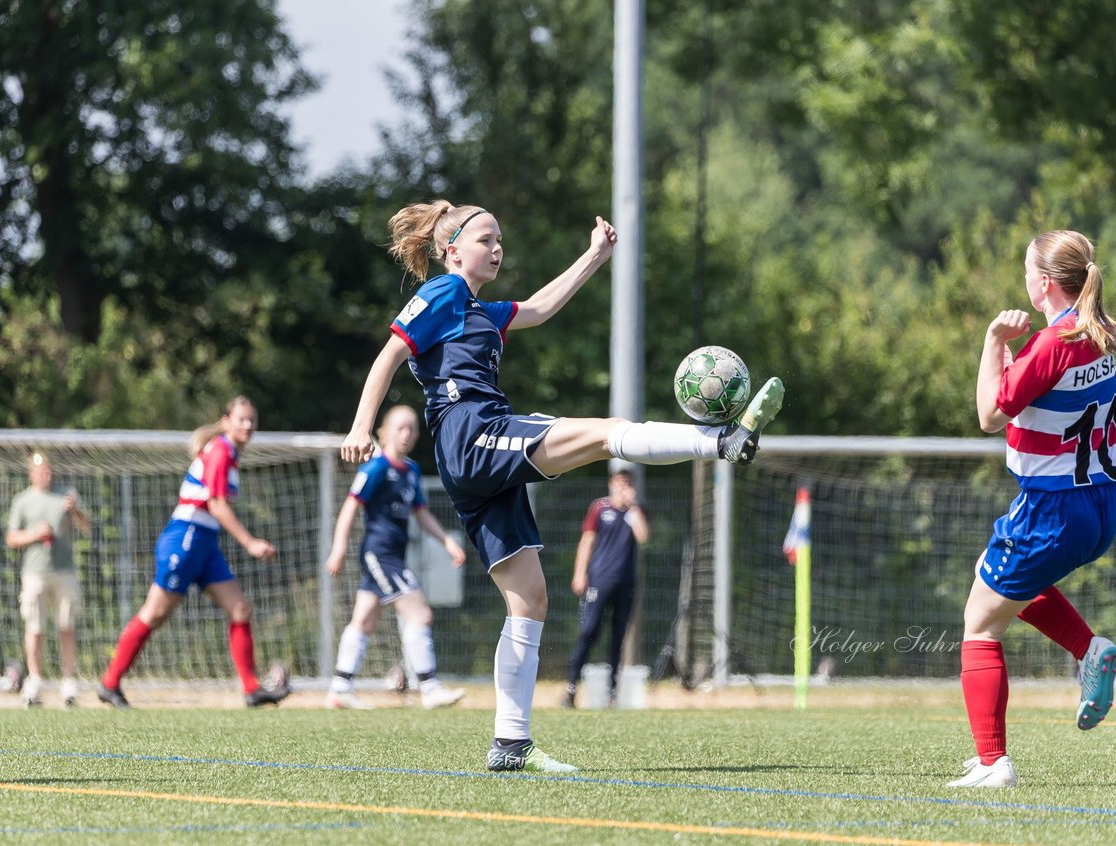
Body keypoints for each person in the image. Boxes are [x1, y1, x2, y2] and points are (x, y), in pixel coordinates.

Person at [341, 200, 785, 773]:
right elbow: (390, 354)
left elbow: (542, 308)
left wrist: (595, 255)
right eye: (485, 238)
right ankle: (719, 442)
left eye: (500, 239)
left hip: (475, 456)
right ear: (452, 250)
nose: (497, 248)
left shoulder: (481, 310)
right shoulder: (444, 293)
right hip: (474, 434)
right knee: (603, 435)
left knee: (530, 600)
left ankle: (510, 745)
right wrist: (359, 426)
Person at [948, 230, 1116, 788]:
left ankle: (993, 763)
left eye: (1027, 269)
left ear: (1044, 283)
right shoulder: (1095, 332)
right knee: (998, 582)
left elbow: (988, 414)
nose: (1023, 278)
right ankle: (1089, 649)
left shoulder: (1053, 342)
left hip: (1053, 512)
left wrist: (993, 340)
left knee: (979, 625)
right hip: (1104, 503)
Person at [96, 395, 292, 709]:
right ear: (226, 421)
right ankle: (109, 682)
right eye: (241, 419)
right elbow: (215, 503)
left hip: (205, 544)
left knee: (240, 608)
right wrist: (250, 542)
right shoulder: (220, 450)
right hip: (185, 539)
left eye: (252, 420)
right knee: (155, 613)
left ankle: (252, 689)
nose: (247, 425)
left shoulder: (229, 453)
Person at [324, 404, 470, 711]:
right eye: (400, 427)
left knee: (364, 620)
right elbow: (351, 507)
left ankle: (339, 688)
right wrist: (338, 549)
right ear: (385, 432)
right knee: (419, 614)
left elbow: (421, 513)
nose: (407, 433)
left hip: (393, 555)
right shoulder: (376, 468)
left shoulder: (412, 470)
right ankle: (429, 687)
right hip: (380, 554)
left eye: (412, 428)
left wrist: (447, 542)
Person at [5, 451, 89, 708]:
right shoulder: (23, 500)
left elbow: (86, 526)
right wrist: (33, 534)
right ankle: (35, 680)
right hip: (34, 573)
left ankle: (68, 682)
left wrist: (75, 512)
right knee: (35, 628)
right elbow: (11, 539)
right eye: (41, 470)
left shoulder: (67, 495)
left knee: (66, 625)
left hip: (64, 571)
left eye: (49, 470)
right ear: (31, 473)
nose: (46, 474)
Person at [561, 467, 649, 709]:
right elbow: (587, 540)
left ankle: (612, 693)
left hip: (626, 583)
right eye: (620, 483)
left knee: (618, 637)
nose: (624, 488)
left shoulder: (636, 511)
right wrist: (580, 573)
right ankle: (570, 687)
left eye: (628, 484)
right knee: (589, 632)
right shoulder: (599, 508)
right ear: (611, 484)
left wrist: (632, 508)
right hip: (599, 581)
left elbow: (643, 537)